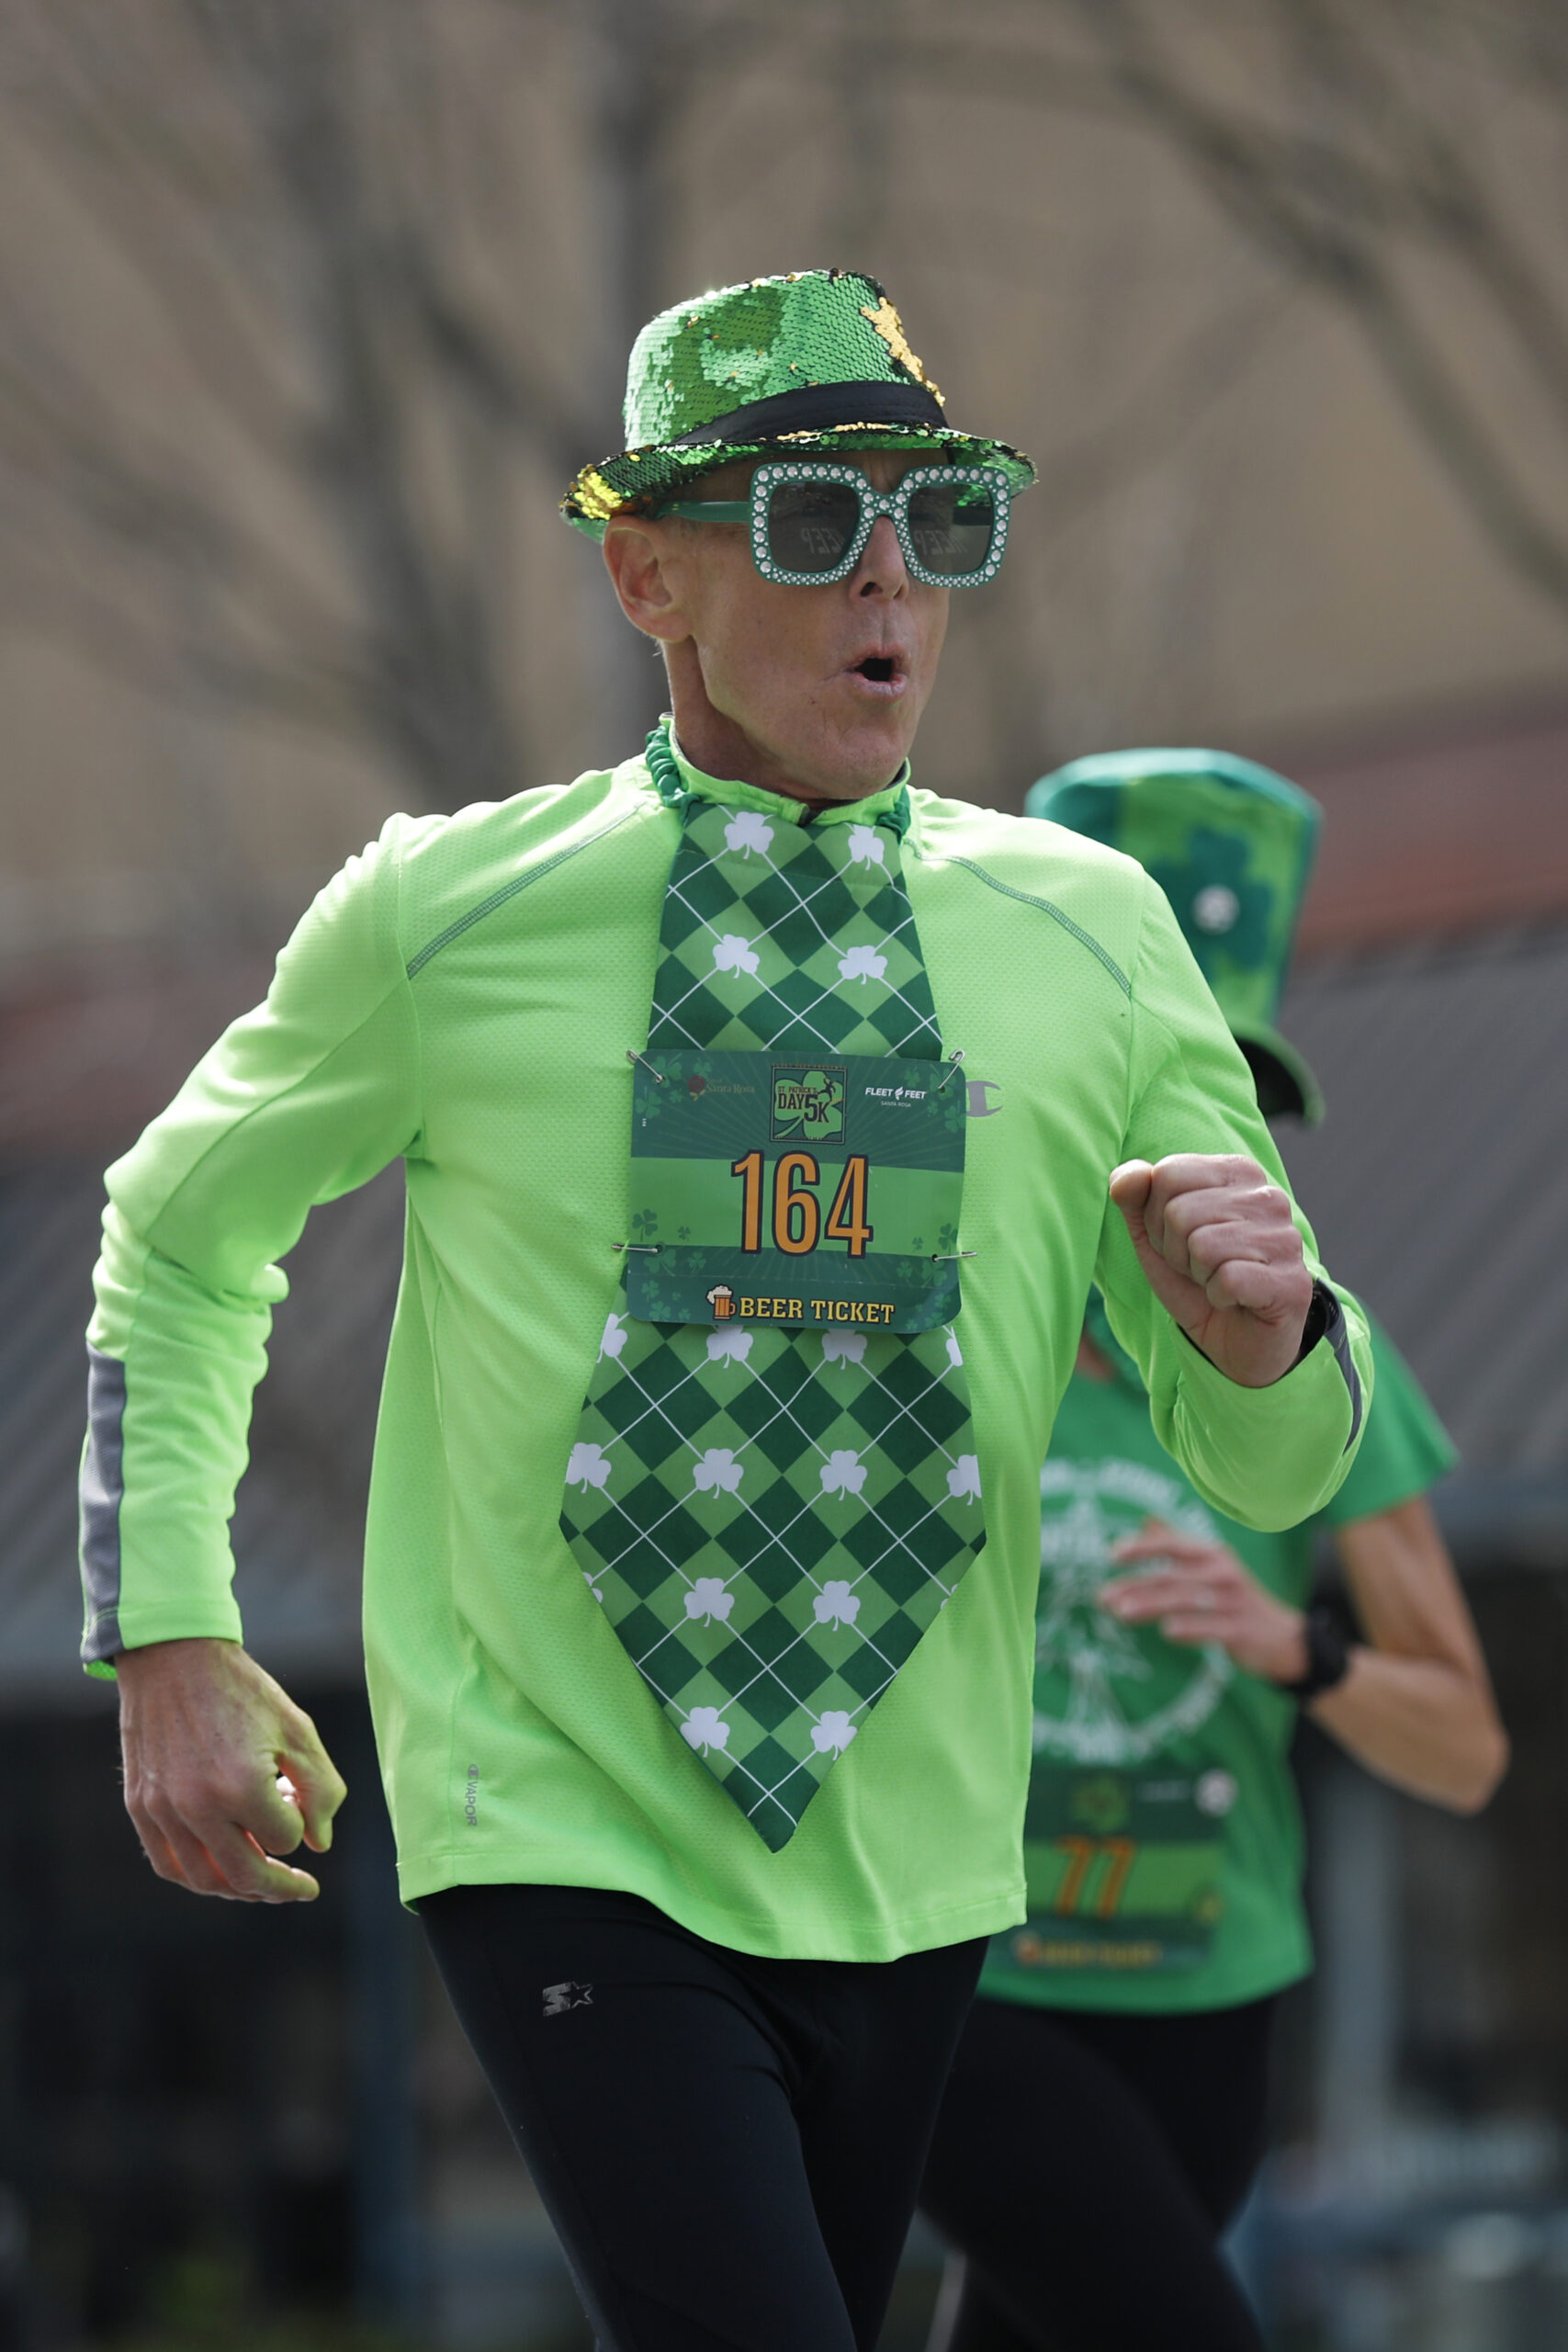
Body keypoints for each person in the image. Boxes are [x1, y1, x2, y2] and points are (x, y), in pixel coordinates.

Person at [79, 274, 1374, 2352]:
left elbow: (1276, 1450)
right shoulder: (447, 911)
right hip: (559, 1808)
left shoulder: (1095, 934)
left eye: (935, 521)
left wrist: (1265, 1344)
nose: (886, 578)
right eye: (806, 519)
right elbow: (180, 1226)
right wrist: (167, 1625)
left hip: (919, 1852)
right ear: (643, 573)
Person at [919, 750, 1507, 2352]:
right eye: (1157, 1097)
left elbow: (1462, 1752)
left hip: (1211, 2006)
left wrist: (1288, 1643)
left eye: (1236, 1109)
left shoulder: (1326, 1373)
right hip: (970, 1987)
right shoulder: (957, 1334)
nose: (1198, 1160)